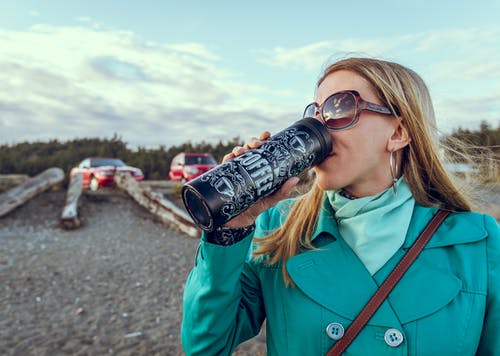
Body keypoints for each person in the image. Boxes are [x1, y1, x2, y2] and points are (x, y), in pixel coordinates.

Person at [181, 57, 500, 355]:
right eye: (316, 113)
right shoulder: (279, 227)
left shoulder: (477, 241)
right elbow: (207, 343)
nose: (319, 128)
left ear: (399, 132)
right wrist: (233, 227)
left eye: (340, 108)